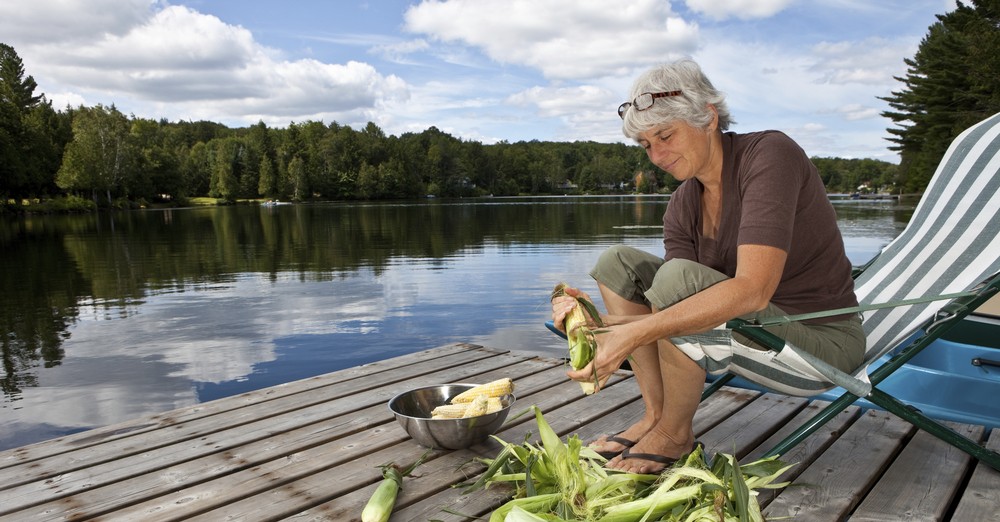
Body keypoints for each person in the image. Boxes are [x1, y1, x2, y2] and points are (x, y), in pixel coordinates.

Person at [550, 59, 865, 474]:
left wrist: (628, 337)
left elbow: (752, 290)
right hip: (754, 332)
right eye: (646, 145)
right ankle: (657, 418)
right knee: (617, 263)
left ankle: (675, 435)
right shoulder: (684, 202)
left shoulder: (769, 155)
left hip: (820, 343)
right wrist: (594, 323)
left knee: (679, 277)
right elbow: (670, 306)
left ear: (708, 117)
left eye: (665, 135)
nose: (657, 156)